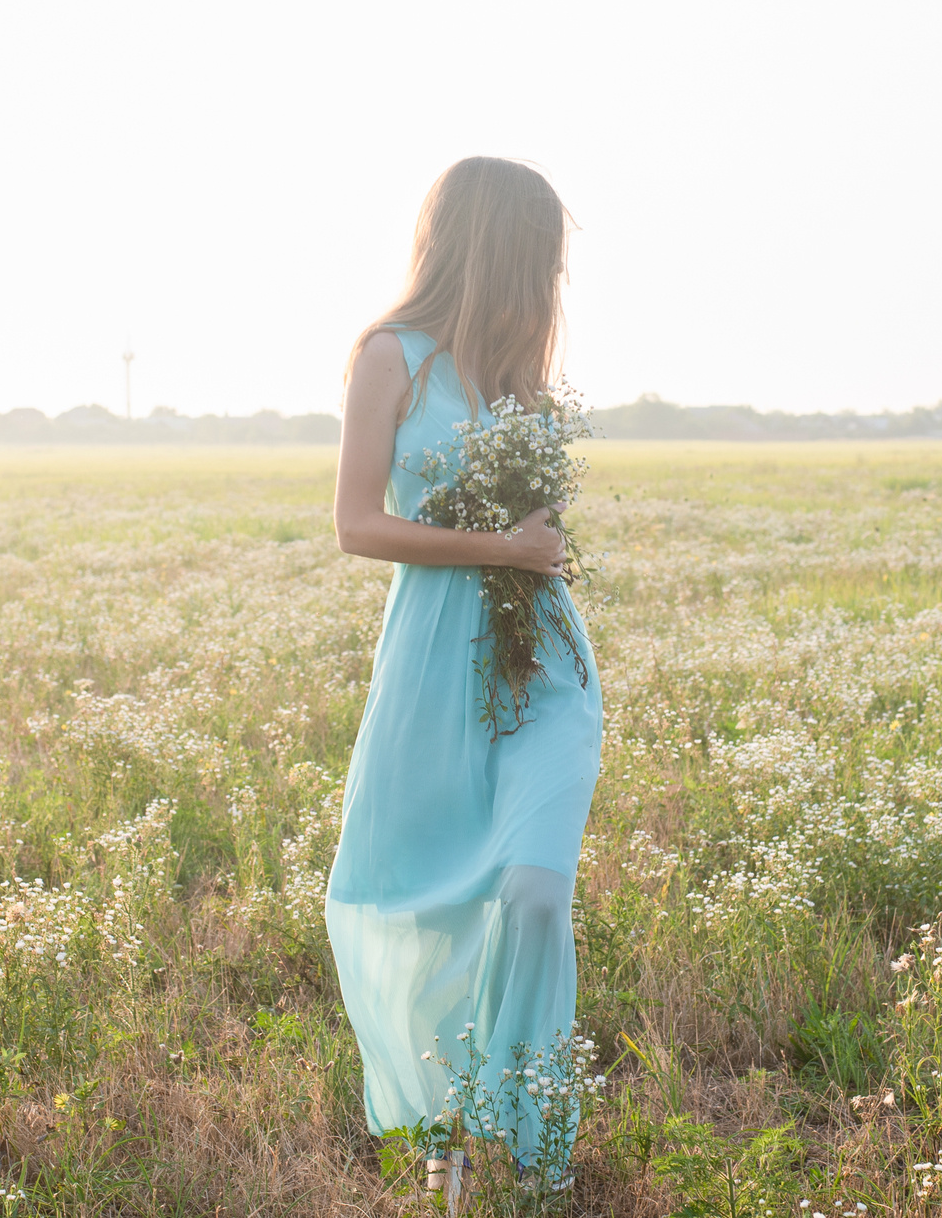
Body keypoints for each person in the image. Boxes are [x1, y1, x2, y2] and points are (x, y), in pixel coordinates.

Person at [325, 156, 603, 1185]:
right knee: (425, 896)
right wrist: (501, 546)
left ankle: (533, 1152)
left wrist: (535, 541)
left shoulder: (523, 374)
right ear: (494, 244)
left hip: (547, 670)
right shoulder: (389, 357)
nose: (550, 278)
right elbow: (357, 523)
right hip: (435, 663)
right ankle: (448, 1119)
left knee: (533, 891)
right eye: (540, 253)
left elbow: (541, 535)